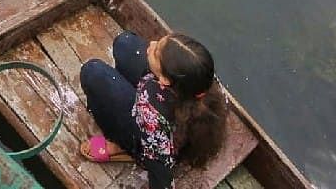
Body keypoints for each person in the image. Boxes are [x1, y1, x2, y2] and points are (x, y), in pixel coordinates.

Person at [79, 31, 227, 189]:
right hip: (163, 104)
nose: (151, 44)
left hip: (149, 136)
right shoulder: (200, 77)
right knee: (124, 43)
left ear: (165, 79)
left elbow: (161, 173)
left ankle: (124, 147)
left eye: (157, 52)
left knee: (92, 72)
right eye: (160, 44)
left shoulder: (153, 118)